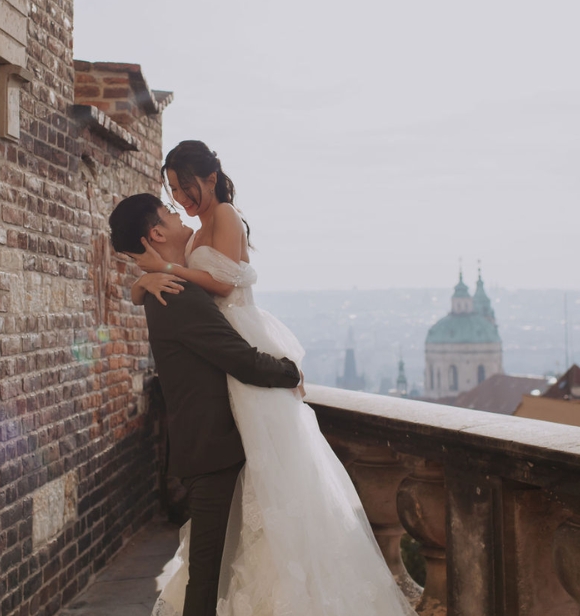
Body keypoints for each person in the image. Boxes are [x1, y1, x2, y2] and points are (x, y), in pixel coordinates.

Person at [130, 140, 417, 616]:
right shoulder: (199, 230)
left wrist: (162, 268)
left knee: (272, 482)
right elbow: (185, 296)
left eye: (186, 186)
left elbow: (223, 284)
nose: (181, 197)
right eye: (174, 190)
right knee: (249, 500)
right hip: (224, 351)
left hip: (238, 341)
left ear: (212, 177)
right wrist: (143, 282)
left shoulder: (224, 215)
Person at [108, 194, 303, 616]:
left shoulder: (170, 283)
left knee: (223, 565)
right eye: (170, 211)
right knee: (208, 573)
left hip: (209, 445)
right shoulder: (177, 293)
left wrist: (140, 281)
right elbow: (239, 358)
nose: (180, 212)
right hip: (211, 449)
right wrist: (291, 372)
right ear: (157, 233)